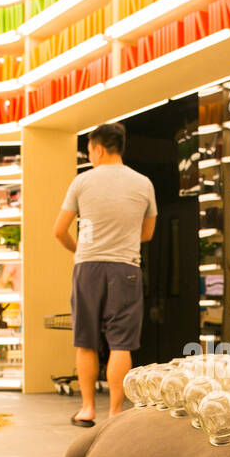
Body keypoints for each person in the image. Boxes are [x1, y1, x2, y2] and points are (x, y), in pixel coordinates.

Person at [52, 122, 157, 426]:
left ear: (97, 148)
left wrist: (80, 250)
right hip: (126, 268)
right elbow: (147, 233)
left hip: (88, 268)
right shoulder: (144, 183)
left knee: (85, 341)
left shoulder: (82, 181)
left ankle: (87, 409)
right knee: (121, 343)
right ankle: (115, 414)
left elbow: (59, 230)